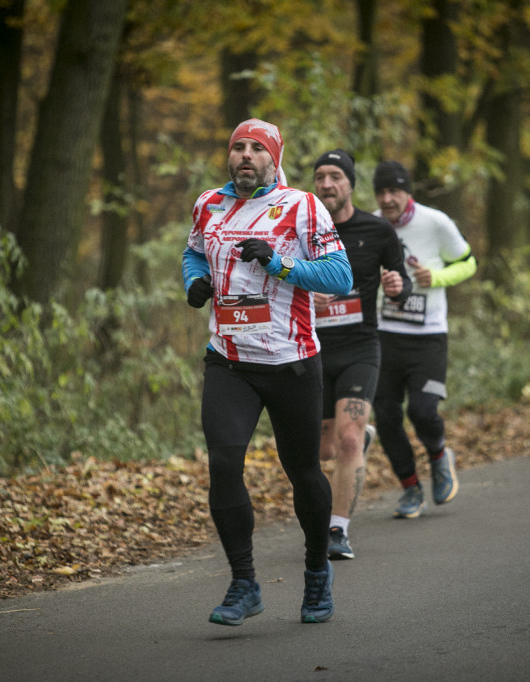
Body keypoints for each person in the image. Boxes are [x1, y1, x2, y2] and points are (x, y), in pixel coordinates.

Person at [182, 119, 353, 626]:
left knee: (302, 471)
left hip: (291, 360)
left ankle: (317, 570)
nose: (246, 155)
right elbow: (195, 252)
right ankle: (243, 582)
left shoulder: (301, 206)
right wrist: (195, 282)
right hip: (229, 359)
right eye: (238, 146)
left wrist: (279, 264)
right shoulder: (208, 203)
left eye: (258, 148)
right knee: (223, 462)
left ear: (274, 159)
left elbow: (340, 277)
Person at [311, 149, 413, 559]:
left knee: (348, 438)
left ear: (351, 184)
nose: (327, 184)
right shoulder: (302, 229)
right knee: (325, 451)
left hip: (360, 348)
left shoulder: (377, 230)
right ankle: (363, 437)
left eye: (336, 176)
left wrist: (396, 289)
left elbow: (402, 283)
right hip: (313, 351)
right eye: (320, 176)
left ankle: (337, 532)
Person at [370, 160, 477, 519]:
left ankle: (438, 455)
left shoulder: (435, 222)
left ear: (408, 192)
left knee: (422, 409)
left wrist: (438, 277)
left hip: (428, 334)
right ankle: (410, 487)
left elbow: (469, 262)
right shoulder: (371, 225)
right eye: (381, 192)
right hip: (384, 334)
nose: (387, 199)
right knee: (385, 416)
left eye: (394, 191)